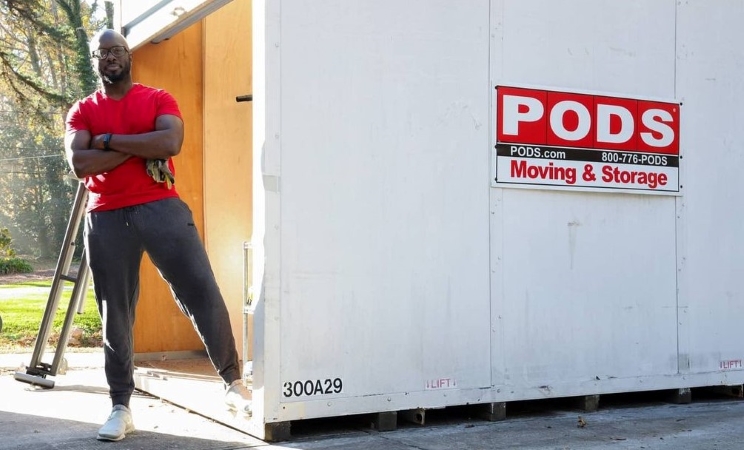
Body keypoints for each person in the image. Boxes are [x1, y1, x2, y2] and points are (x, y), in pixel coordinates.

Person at [64, 29, 251, 442]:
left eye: (116, 51)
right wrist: (142, 147)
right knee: (117, 312)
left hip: (161, 207)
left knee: (201, 290)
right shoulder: (82, 111)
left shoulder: (157, 99)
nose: (110, 57)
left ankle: (233, 384)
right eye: (102, 53)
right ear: (94, 60)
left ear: (129, 56)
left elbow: (171, 141)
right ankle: (120, 407)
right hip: (107, 215)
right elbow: (79, 162)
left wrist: (109, 142)